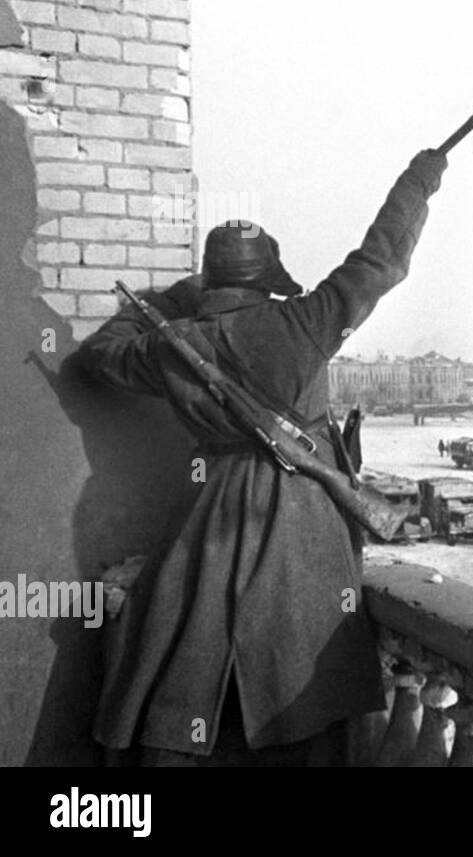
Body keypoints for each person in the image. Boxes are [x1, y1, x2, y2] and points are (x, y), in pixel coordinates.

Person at [78, 148, 449, 765]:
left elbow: (101, 354)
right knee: (304, 671)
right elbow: (381, 259)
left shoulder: (174, 346)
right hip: (303, 513)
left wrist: (178, 301)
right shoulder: (306, 322)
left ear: (212, 279)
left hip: (210, 510)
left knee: (188, 655)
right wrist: (419, 180)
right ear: (266, 275)